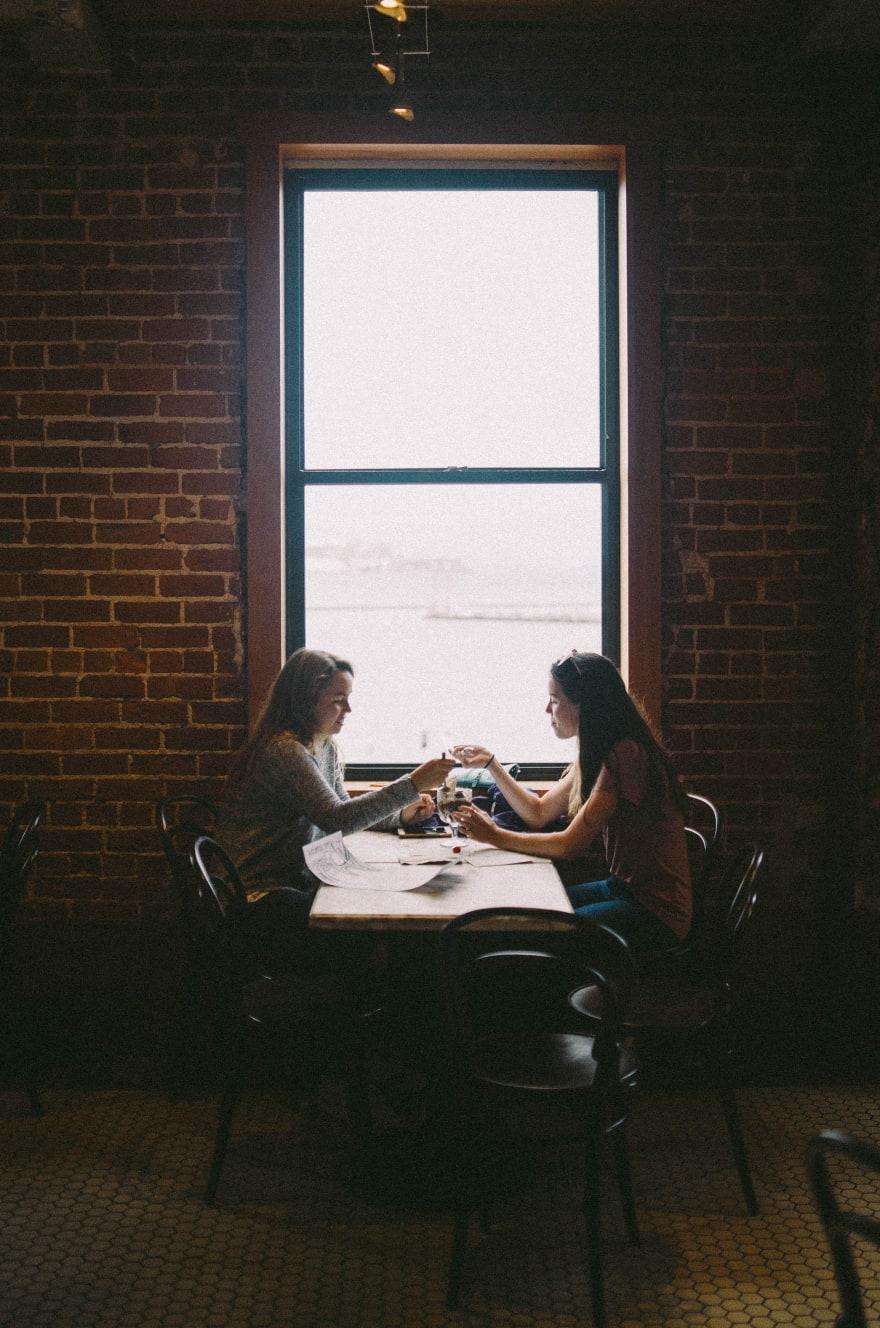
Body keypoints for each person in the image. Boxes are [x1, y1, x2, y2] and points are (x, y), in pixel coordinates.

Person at [221, 647, 454, 972]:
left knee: (387, 908)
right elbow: (335, 818)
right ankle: (368, 1006)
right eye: (338, 699)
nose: (348, 709)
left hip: (298, 880)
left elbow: (344, 808)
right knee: (379, 920)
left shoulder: (324, 744)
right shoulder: (285, 751)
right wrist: (413, 784)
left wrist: (401, 815)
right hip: (260, 896)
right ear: (305, 700)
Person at [451, 651, 692, 958]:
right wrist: (492, 765)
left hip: (655, 912)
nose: (546, 709)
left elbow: (569, 846)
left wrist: (493, 835)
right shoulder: (603, 748)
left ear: (584, 704)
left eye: (554, 699)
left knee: (536, 931)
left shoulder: (625, 754)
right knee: (529, 911)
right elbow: (539, 813)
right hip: (620, 888)